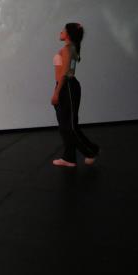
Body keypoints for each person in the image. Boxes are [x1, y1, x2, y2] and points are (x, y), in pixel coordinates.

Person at [51, 23, 99, 167]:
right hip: (65, 87)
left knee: (70, 126)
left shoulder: (68, 49)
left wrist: (56, 93)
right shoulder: (70, 48)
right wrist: (57, 90)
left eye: (63, 30)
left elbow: (66, 73)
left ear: (68, 34)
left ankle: (91, 151)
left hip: (67, 87)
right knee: (64, 126)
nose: (60, 32)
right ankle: (69, 157)